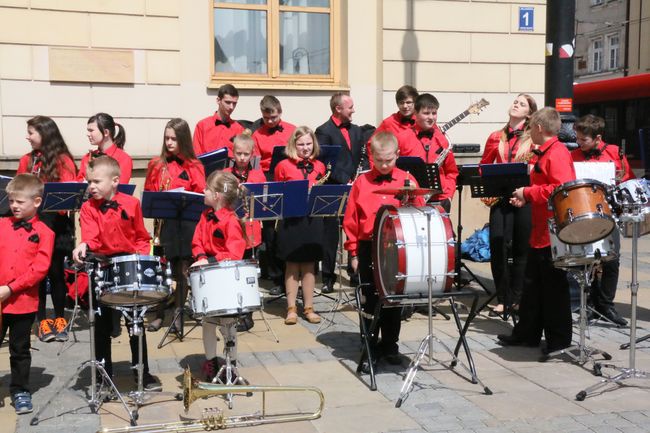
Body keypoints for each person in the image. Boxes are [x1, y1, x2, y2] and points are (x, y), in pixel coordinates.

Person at [72, 156, 161, 391]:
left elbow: (142, 236)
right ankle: (103, 376)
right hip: (102, 267)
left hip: (128, 266)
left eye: (96, 181)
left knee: (136, 324)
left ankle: (144, 373)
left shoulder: (131, 204)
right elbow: (90, 238)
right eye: (89, 182)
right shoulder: (88, 208)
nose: (91, 186)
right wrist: (83, 246)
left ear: (114, 181)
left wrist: (141, 259)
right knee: (100, 327)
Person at [498, 107, 576, 355]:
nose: (529, 131)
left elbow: (560, 189)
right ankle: (527, 334)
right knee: (532, 288)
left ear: (539, 128)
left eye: (531, 127)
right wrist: (526, 198)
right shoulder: (545, 152)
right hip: (540, 232)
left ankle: (559, 341)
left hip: (552, 233)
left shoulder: (557, 154)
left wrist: (527, 193)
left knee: (553, 290)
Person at [343, 132, 424, 368]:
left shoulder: (407, 180)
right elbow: (351, 221)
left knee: (394, 299)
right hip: (369, 246)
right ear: (371, 157)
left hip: (397, 248)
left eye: (389, 160)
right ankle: (368, 346)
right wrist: (354, 253)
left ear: (398, 155)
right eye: (379, 161)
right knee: (370, 298)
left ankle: (390, 345)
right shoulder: (362, 182)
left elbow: (419, 213)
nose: (385, 165)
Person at [17, 116, 77, 342]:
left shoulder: (63, 161)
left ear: (45, 134)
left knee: (56, 273)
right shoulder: (26, 160)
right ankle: (42, 320)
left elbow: (68, 197)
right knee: (37, 275)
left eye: (31, 132)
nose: (27, 137)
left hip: (56, 225)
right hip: (32, 225)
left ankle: (60, 318)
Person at [144, 118, 206, 332]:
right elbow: (149, 194)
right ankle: (160, 313)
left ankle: (178, 314)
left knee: (182, 270)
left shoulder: (194, 165)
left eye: (174, 139)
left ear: (183, 140)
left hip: (187, 224)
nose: (169, 143)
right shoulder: (156, 164)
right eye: (167, 138)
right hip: (165, 224)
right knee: (162, 271)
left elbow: (199, 194)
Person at [0, 174, 55, 414]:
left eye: (19, 202)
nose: (14, 206)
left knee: (19, 349)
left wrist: (10, 288)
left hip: (23, 302)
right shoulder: (1, 225)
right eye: (11, 200)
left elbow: (39, 269)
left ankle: (20, 389)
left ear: (36, 201)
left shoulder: (45, 233)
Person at [572, 114, 633, 326]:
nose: (579, 143)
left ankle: (606, 305)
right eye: (577, 139)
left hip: (608, 212)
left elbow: (627, 179)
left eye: (583, 140)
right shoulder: (574, 155)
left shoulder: (614, 152)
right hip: (583, 212)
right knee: (586, 261)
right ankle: (589, 304)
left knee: (612, 260)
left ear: (597, 138)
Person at [479, 94, 537, 317]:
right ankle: (503, 298)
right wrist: (487, 189)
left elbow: (537, 166)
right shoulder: (495, 136)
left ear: (529, 113)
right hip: (502, 199)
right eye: (516, 101)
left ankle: (518, 298)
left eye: (522, 104)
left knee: (522, 249)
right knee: (498, 246)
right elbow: (484, 165)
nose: (516, 104)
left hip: (525, 198)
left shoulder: (534, 138)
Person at [191, 171, 247, 382]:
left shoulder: (231, 221)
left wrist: (211, 260)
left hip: (225, 278)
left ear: (216, 195)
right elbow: (197, 240)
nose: (202, 191)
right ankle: (211, 361)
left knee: (228, 323)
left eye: (206, 189)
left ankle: (231, 365)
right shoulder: (205, 216)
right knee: (207, 321)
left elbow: (235, 253)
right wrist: (201, 256)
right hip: (208, 277)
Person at [315, 92, 367, 294]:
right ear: (338, 109)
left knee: (355, 232)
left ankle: (356, 274)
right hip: (333, 188)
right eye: (350, 107)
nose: (353, 110)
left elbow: (363, 156)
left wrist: (361, 175)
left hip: (355, 187)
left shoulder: (356, 130)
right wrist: (346, 179)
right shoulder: (323, 130)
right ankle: (328, 276)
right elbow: (325, 161)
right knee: (330, 235)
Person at [274, 126, 326, 325]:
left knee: (310, 265)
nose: (305, 148)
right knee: (292, 265)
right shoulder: (284, 166)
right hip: (292, 220)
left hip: (312, 220)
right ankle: (291, 308)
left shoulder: (320, 166)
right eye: (301, 144)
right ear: (293, 145)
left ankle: (309, 307)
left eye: (308, 143)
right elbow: (278, 193)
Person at [251, 95, 295, 295]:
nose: (270, 121)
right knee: (270, 232)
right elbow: (255, 163)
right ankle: (277, 277)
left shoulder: (292, 129)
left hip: (288, 178)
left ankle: (293, 277)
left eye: (274, 117)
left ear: (280, 112)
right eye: (266, 118)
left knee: (289, 228)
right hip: (268, 179)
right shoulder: (257, 134)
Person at [224, 132, 266, 332]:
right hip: (231, 231)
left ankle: (248, 313)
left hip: (251, 231)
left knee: (250, 274)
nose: (241, 158)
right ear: (232, 153)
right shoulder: (225, 174)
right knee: (233, 273)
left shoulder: (257, 175)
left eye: (246, 154)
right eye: (238, 153)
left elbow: (264, 202)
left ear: (252, 154)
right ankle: (233, 310)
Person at [396, 93, 459, 213]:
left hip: (440, 200)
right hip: (411, 201)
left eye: (434, 113)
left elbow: (451, 172)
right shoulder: (402, 138)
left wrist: (448, 196)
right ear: (415, 113)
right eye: (426, 113)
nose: (431, 117)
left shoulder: (443, 139)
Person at [77, 113, 132, 184]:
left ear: (106, 132)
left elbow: (121, 187)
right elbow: (79, 183)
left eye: (91, 130)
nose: (88, 134)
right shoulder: (87, 157)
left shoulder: (123, 158)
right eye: (88, 130)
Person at [193, 84, 244, 158]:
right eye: (228, 102)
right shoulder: (202, 125)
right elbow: (196, 155)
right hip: (207, 168)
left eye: (234, 103)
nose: (231, 107)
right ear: (218, 100)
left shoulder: (239, 129)